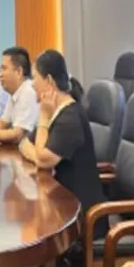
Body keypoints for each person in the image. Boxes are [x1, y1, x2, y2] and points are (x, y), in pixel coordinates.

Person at [20, 49, 105, 233]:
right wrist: (39, 156)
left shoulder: (69, 118)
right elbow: (24, 144)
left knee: (35, 227)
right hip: (61, 204)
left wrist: (43, 117)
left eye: (35, 78)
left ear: (49, 81)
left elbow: (44, 159)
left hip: (81, 218)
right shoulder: (55, 110)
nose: (32, 84)